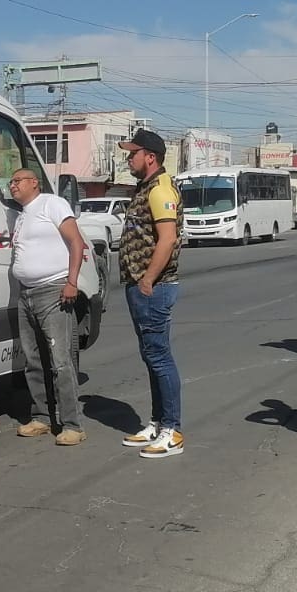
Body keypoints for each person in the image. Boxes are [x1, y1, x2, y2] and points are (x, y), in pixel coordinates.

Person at [6, 168, 89, 447]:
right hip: (26, 295)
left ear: (34, 183)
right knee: (32, 360)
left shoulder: (51, 204)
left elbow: (76, 242)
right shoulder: (21, 216)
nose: (12, 186)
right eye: (11, 182)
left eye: (17, 181)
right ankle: (41, 417)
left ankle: (72, 424)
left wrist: (72, 281)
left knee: (61, 360)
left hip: (54, 290)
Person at [116, 129, 186, 459]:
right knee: (151, 356)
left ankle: (172, 429)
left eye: (133, 153)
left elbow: (168, 238)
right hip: (141, 285)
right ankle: (157, 423)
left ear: (150, 157)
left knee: (159, 357)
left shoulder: (160, 190)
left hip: (154, 288)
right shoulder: (144, 188)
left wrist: (147, 280)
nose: (128, 158)